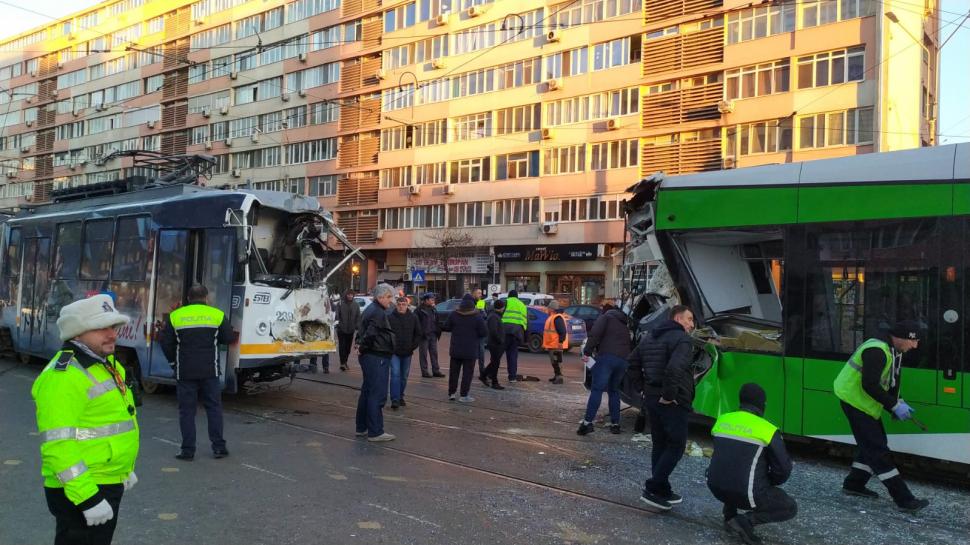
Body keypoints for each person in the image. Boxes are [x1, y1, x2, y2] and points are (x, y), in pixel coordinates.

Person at [32, 294, 139, 545]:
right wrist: (88, 498)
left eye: (113, 326)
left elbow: (110, 422)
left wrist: (124, 469)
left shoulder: (106, 364)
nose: (112, 334)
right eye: (101, 328)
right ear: (77, 333)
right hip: (82, 488)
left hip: (104, 479)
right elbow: (58, 445)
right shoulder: (63, 376)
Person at [833, 320, 929, 512]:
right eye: (913, 341)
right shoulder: (877, 351)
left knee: (872, 445)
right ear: (900, 338)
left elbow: (891, 381)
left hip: (865, 404)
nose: (915, 346)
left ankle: (854, 484)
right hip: (855, 402)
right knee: (878, 450)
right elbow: (869, 385)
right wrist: (893, 405)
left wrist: (898, 402)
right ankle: (905, 500)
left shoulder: (894, 350)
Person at [708, 383, 797, 545]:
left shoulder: (722, 420)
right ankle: (745, 521)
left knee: (736, 464)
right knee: (789, 506)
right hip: (745, 493)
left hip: (715, 488)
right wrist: (768, 482)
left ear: (741, 401)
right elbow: (783, 470)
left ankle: (730, 514)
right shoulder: (767, 430)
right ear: (763, 405)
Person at [630, 304, 696, 510]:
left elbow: (632, 363)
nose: (692, 325)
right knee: (676, 445)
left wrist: (643, 388)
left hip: (651, 398)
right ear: (677, 319)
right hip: (672, 401)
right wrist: (668, 396)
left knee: (659, 444)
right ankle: (653, 487)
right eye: (689, 319)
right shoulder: (682, 339)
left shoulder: (649, 336)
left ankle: (662, 489)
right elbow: (674, 368)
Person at [159, 284, 234, 461]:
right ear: (206, 298)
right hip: (210, 370)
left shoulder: (176, 316)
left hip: (185, 371)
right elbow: (228, 338)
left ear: (188, 299)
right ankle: (219, 448)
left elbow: (166, 342)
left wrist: (173, 362)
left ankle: (187, 451)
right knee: (214, 408)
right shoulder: (217, 314)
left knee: (187, 411)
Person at [577, 300, 632, 435]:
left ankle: (587, 423)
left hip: (607, 357)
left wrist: (587, 352)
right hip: (623, 360)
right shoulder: (624, 323)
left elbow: (594, 334)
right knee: (614, 390)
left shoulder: (605, 318)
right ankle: (615, 424)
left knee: (597, 389)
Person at [355, 283, 397, 442]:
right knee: (377, 393)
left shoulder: (371, 309)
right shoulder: (378, 312)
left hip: (371, 356)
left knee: (367, 391)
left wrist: (360, 346)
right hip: (377, 356)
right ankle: (375, 431)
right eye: (389, 297)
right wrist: (362, 347)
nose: (390, 300)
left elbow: (362, 331)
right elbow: (370, 334)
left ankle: (362, 427)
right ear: (380, 297)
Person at [442, 293, 487, 402]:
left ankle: (452, 393)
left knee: (454, 372)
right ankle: (464, 395)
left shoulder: (454, 314)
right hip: (470, 350)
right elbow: (484, 332)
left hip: (456, 349)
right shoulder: (477, 316)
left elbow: (446, 327)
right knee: (467, 373)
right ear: (473, 303)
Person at [387, 295, 423, 409]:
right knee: (395, 374)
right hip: (394, 352)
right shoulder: (390, 317)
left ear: (407, 306)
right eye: (399, 305)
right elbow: (386, 334)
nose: (401, 307)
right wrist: (390, 346)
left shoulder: (413, 317)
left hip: (407, 352)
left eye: (403, 305)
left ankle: (400, 395)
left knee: (404, 376)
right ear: (396, 306)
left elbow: (418, 334)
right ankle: (395, 399)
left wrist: (412, 346)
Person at [415, 293, 445, 378]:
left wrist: (438, 330)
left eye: (433, 299)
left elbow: (437, 321)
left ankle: (436, 370)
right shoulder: (419, 310)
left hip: (433, 335)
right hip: (424, 336)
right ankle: (424, 372)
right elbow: (416, 323)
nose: (433, 301)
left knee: (434, 353)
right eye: (431, 299)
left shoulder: (433, 309)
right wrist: (420, 333)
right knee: (423, 354)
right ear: (426, 300)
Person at [501, 290, 528, 382]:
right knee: (512, 355)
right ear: (517, 297)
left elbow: (498, 315)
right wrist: (525, 337)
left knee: (497, 355)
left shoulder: (506, 302)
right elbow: (526, 322)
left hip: (504, 332)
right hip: (517, 333)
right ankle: (512, 377)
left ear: (509, 296)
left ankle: (489, 374)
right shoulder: (522, 305)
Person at [543, 301, 569, 385]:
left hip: (556, 345)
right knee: (554, 362)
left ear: (552, 309)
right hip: (553, 344)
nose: (547, 309)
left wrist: (560, 342)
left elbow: (562, 331)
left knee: (557, 362)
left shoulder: (557, 318)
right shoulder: (553, 317)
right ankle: (556, 376)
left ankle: (559, 377)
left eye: (549, 308)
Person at [483, 299, 507, 390]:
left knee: (494, 362)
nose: (504, 309)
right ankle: (494, 382)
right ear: (501, 308)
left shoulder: (495, 316)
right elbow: (493, 331)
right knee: (495, 363)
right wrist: (500, 340)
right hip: (495, 344)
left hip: (495, 343)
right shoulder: (494, 317)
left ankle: (484, 375)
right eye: (503, 307)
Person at [335, 290, 361, 371]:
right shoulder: (340, 304)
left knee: (348, 348)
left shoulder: (356, 305)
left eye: (351, 295)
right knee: (342, 347)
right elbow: (337, 315)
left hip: (351, 330)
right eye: (348, 295)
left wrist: (357, 326)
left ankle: (345, 361)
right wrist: (338, 324)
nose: (350, 296)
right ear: (346, 295)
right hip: (341, 330)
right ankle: (342, 363)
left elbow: (358, 316)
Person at [473, 288, 488, 384]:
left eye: (481, 293)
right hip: (473, 332)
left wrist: (482, 311)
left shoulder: (482, 303)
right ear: (474, 293)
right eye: (478, 293)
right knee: (472, 352)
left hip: (481, 332)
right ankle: (469, 369)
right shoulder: (471, 303)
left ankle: (482, 371)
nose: (480, 295)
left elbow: (485, 316)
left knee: (481, 352)